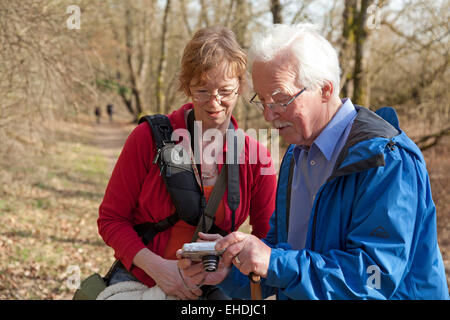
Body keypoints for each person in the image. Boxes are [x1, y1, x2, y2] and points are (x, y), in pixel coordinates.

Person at [177, 24, 449, 300]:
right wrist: (231, 269)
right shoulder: (296, 154)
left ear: (325, 90)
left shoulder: (386, 161)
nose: (269, 116)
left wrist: (272, 262)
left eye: (281, 99)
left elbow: (373, 278)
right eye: (262, 102)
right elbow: (283, 254)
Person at [97, 26, 277, 300]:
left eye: (225, 91)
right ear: (186, 86)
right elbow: (111, 219)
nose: (214, 103)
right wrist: (158, 269)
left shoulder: (256, 156)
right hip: (143, 278)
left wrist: (231, 265)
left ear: (241, 87)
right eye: (202, 90)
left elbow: (267, 239)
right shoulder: (148, 138)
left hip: (217, 285)